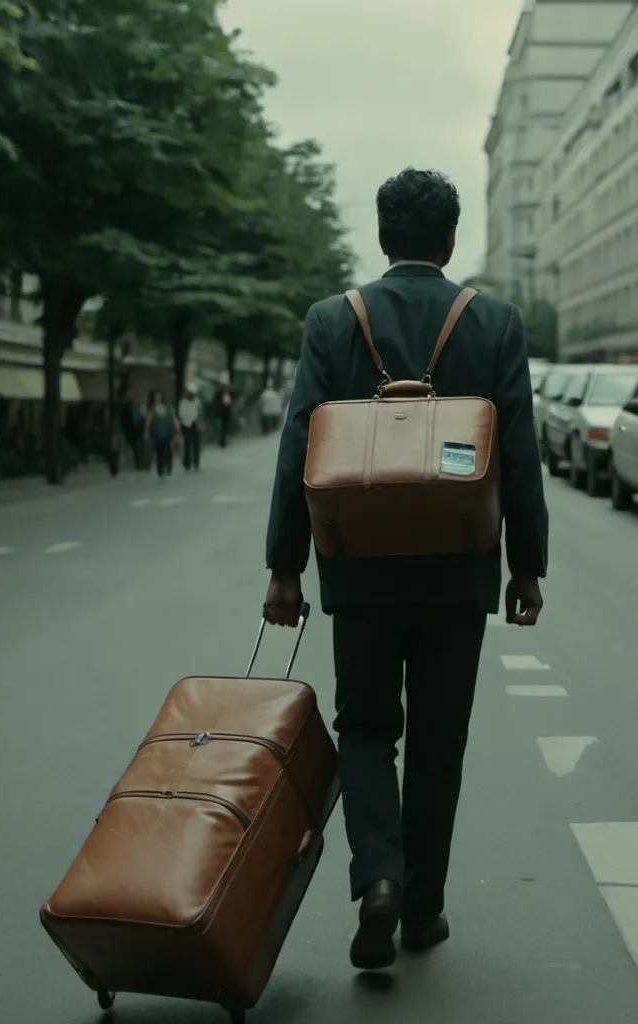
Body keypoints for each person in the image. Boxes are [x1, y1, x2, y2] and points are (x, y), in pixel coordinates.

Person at [264, 168, 548, 971]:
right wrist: (525, 567)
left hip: (357, 567)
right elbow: (518, 454)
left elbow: (299, 448)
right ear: (451, 239)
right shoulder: (493, 321)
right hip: (459, 566)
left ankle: (377, 877)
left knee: (364, 729)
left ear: (382, 237)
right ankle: (422, 909)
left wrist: (286, 568)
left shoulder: (332, 320)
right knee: (437, 741)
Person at [143, 389, 178, 479]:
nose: (157, 397)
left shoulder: (168, 407)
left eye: (159, 396)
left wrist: (177, 428)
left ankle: (169, 467)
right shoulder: (151, 409)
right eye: (156, 396)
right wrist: (146, 432)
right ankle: (160, 470)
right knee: (160, 452)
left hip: (168, 431)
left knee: (169, 450)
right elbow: (148, 421)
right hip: (158, 433)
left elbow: (173, 418)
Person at [177, 383, 204, 471]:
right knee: (187, 445)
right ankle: (187, 463)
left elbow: (200, 413)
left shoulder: (197, 401)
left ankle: (196, 463)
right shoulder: (182, 402)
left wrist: (200, 422)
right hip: (186, 425)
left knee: (196, 445)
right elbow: (181, 414)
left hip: (195, 425)